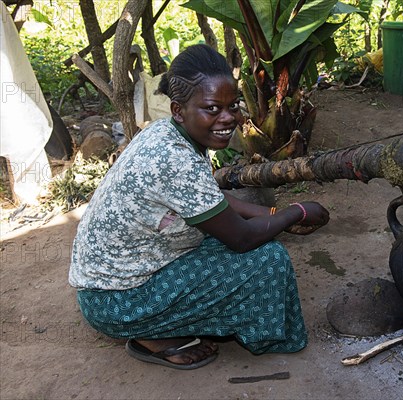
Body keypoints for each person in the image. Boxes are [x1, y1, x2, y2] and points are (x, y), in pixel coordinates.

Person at [68, 44, 330, 370]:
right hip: (116, 303)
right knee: (267, 259)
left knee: (240, 239)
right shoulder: (173, 156)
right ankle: (154, 335)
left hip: (115, 284)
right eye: (212, 108)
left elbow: (207, 198)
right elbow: (242, 238)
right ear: (179, 110)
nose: (228, 118)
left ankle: (167, 325)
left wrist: (273, 215)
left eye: (232, 106)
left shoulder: (170, 132)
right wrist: (297, 212)